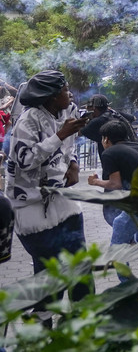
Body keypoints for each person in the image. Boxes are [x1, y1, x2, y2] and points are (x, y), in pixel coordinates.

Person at [2, 70, 90, 304]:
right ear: (50, 97)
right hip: (29, 203)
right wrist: (60, 135)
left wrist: (73, 164)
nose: (69, 94)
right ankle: (44, 326)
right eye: (64, 90)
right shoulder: (27, 122)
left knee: (81, 265)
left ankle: (87, 321)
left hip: (61, 197)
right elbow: (26, 162)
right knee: (51, 275)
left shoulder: (69, 111)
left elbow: (70, 145)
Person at [87, 119, 138, 275]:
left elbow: (115, 184)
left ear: (106, 139)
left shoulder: (110, 152)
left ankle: (128, 288)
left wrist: (95, 181)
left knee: (116, 248)